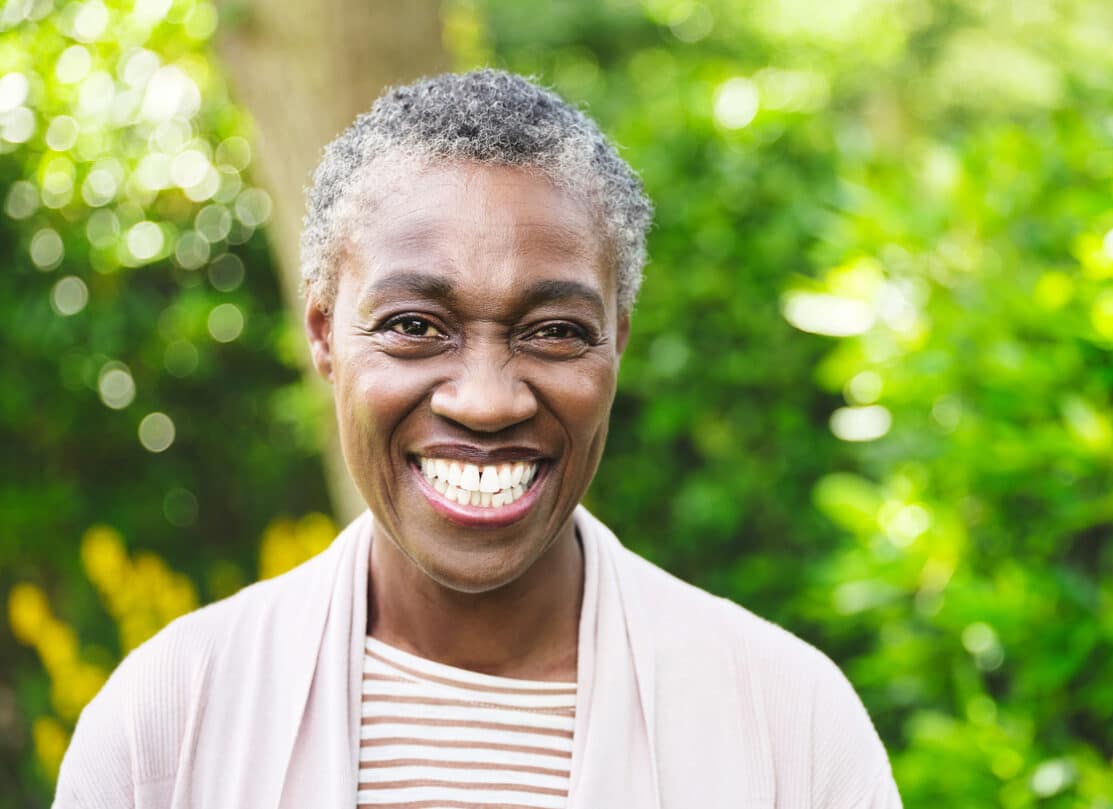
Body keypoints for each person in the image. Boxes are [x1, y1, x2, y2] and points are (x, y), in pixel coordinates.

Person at [54, 69, 900, 809]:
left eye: (556, 331)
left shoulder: (790, 726)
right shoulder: (166, 725)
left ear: (618, 344)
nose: (487, 400)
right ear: (322, 334)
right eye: (416, 325)